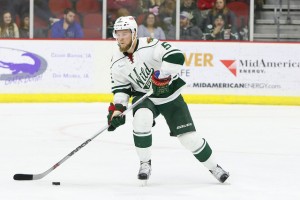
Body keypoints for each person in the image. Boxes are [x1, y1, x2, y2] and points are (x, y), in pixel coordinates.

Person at [107, 16, 230, 185]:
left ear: (134, 33)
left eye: (125, 33)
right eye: (117, 34)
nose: (120, 38)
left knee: (189, 139)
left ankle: (214, 167)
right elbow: (121, 89)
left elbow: (176, 56)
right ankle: (145, 164)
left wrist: (162, 76)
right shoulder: (116, 61)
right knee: (141, 119)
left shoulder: (150, 44)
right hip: (145, 97)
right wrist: (118, 111)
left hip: (169, 95)